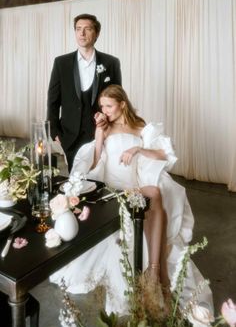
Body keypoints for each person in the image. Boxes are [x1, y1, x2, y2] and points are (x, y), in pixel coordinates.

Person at [50, 85, 213, 315]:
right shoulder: (104, 128)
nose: (104, 111)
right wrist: (98, 134)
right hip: (112, 190)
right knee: (154, 198)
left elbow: (164, 155)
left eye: (109, 106)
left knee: (155, 194)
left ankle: (155, 271)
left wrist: (138, 149)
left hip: (134, 186)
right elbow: (95, 164)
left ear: (122, 104)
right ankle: (159, 277)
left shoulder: (140, 126)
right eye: (102, 107)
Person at [46, 14, 122, 171]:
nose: (82, 33)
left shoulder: (111, 63)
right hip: (70, 136)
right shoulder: (61, 63)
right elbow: (53, 100)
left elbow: (117, 101)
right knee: (77, 182)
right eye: (78, 29)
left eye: (87, 29)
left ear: (97, 34)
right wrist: (54, 132)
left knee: (100, 178)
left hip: (102, 133)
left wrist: (112, 127)